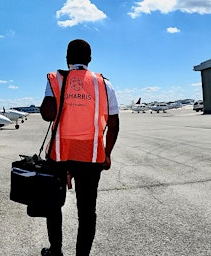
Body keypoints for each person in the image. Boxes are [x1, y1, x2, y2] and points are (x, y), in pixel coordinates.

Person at [39, 39, 120, 256]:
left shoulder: (55, 79)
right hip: (91, 155)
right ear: (90, 59)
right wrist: (107, 154)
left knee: (54, 205)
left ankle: (56, 251)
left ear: (67, 58)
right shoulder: (104, 83)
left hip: (60, 154)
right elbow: (113, 124)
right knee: (86, 211)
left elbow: (48, 114)